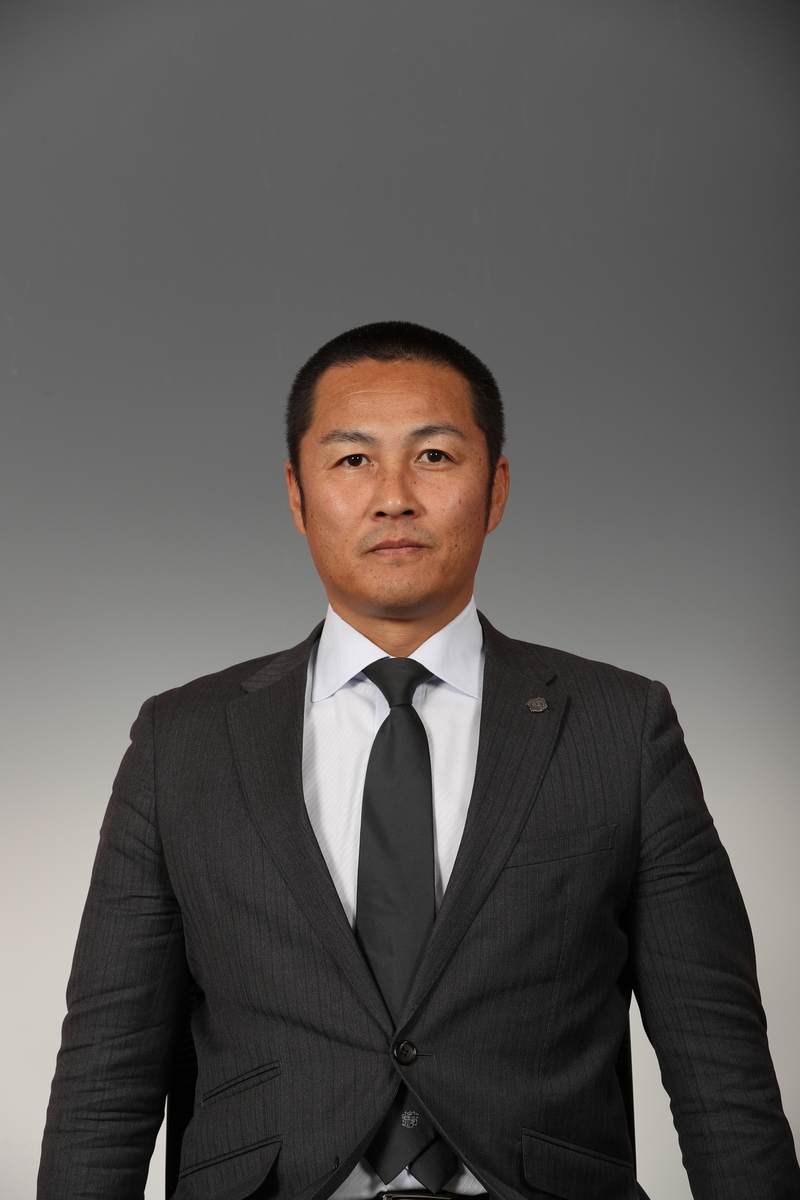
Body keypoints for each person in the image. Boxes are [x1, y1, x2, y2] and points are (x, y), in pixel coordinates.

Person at [38, 322, 799, 1200]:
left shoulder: (621, 729)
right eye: (353, 460)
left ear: (495, 488)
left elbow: (721, 1072)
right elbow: (105, 1079)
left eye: (434, 456)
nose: (394, 497)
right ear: (297, 495)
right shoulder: (183, 740)